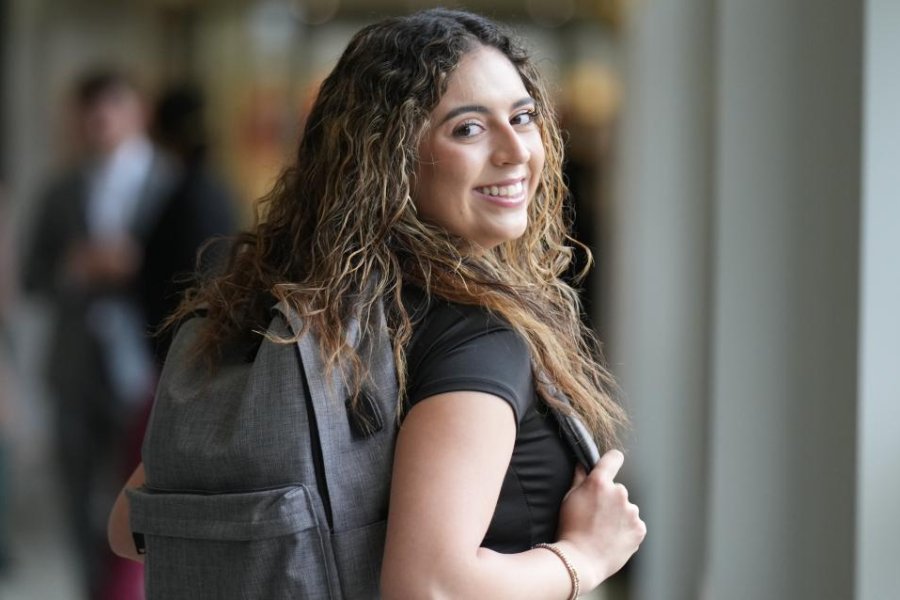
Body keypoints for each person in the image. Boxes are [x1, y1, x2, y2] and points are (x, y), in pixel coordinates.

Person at [109, 9, 646, 598]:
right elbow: (428, 586)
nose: (517, 149)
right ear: (390, 157)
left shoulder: (290, 317)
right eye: (468, 128)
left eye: (522, 117)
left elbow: (127, 525)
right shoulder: (473, 337)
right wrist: (583, 559)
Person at [22, 68, 175, 599]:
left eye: (112, 108)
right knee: (77, 498)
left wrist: (137, 266)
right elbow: (30, 276)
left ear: (137, 112)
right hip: (75, 368)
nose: (100, 122)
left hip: (147, 366)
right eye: (90, 112)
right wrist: (76, 268)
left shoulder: (169, 184)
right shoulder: (61, 189)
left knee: (139, 499)